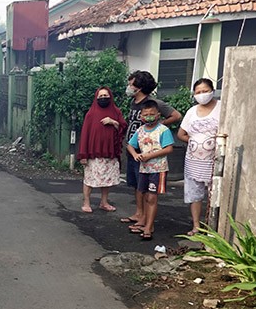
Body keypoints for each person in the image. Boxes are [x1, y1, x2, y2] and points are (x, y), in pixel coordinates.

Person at [120, 70, 182, 229]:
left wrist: (159, 127)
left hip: (147, 153)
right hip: (133, 148)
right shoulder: (134, 103)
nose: (128, 87)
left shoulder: (153, 104)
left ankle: (146, 219)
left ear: (139, 87)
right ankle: (139, 213)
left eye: (131, 84)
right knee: (137, 184)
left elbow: (176, 115)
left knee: (147, 187)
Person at [126, 100, 175, 241]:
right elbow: (130, 145)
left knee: (152, 197)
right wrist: (135, 155)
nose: (148, 117)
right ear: (141, 116)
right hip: (144, 169)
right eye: (145, 114)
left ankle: (148, 227)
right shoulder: (140, 130)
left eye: (152, 114)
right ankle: (146, 223)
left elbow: (169, 148)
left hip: (158, 169)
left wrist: (150, 156)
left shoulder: (163, 130)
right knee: (145, 196)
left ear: (158, 114)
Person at [178, 78, 221, 236]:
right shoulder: (192, 111)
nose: (202, 94)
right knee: (195, 194)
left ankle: (212, 226)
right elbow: (181, 134)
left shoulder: (221, 107)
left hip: (214, 160)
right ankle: (196, 225)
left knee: (214, 193)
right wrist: (197, 142)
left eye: (205, 91)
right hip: (193, 160)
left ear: (212, 91)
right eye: (198, 92)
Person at [77, 87, 127, 213]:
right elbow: (85, 134)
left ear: (110, 96)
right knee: (89, 178)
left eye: (105, 95)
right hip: (93, 153)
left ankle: (104, 202)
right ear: (96, 98)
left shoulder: (116, 111)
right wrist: (83, 154)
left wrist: (113, 121)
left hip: (110, 152)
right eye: (100, 96)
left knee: (107, 179)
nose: (103, 98)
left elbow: (123, 127)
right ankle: (86, 202)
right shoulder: (91, 114)